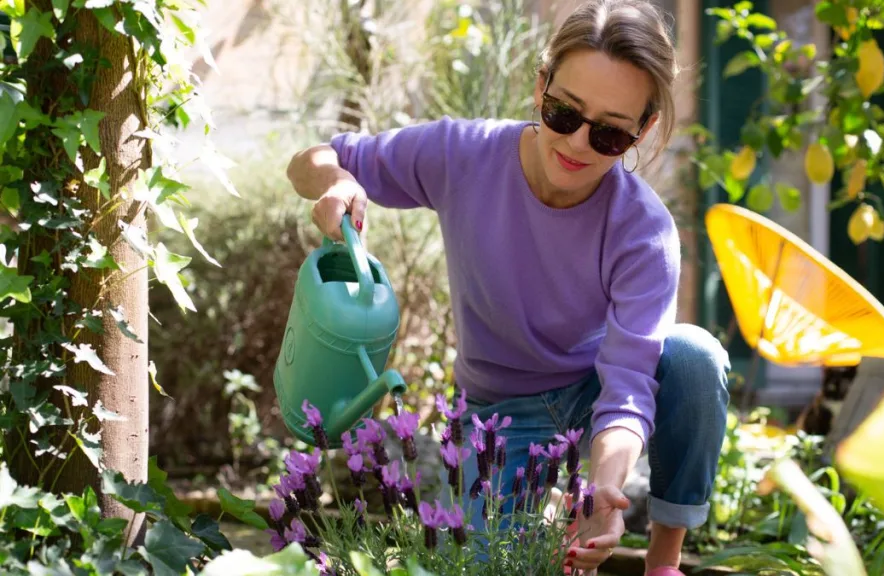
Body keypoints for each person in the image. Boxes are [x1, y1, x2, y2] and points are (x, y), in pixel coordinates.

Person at [286, 0, 730, 573]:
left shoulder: (642, 231)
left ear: (641, 130)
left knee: (694, 357)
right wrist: (336, 179)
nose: (575, 145)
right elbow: (309, 160)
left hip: (592, 390)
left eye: (610, 135)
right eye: (564, 114)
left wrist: (602, 491)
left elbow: (626, 386)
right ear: (541, 86)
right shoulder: (463, 154)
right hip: (499, 411)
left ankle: (663, 562)